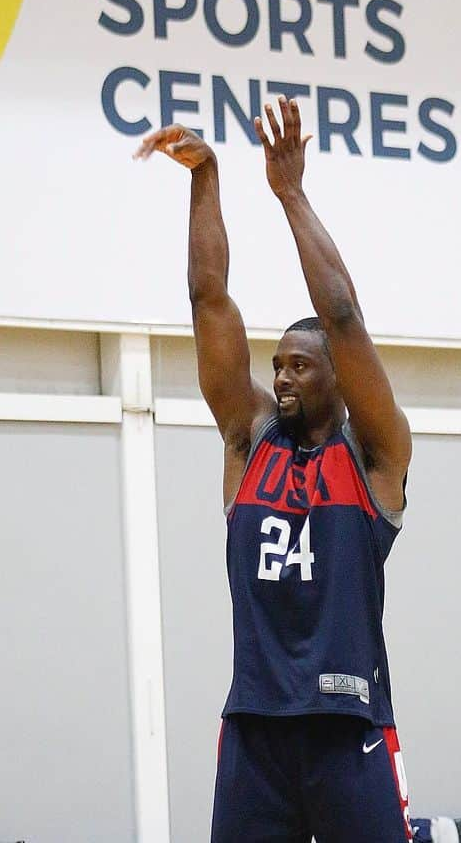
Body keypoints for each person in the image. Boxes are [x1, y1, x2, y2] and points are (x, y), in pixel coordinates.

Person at [136, 96, 414, 843]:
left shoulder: (374, 455)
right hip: (256, 728)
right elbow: (208, 299)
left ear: (337, 379)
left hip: (348, 727)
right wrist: (207, 177)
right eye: (277, 366)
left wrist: (289, 195)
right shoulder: (247, 442)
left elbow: (344, 315)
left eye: (299, 366)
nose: (282, 378)